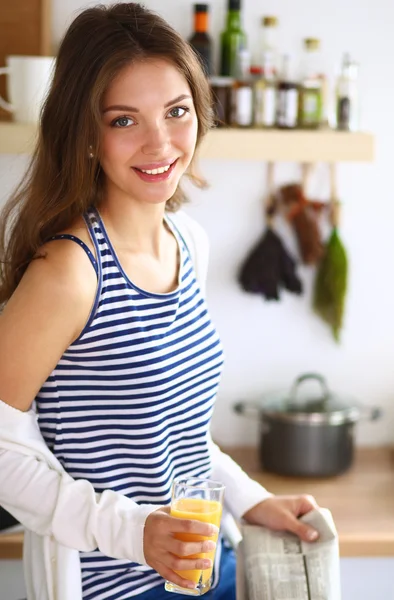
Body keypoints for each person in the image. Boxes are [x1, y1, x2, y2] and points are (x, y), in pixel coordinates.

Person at [0, 3, 319, 599]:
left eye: (176, 112)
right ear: (85, 133)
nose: (160, 142)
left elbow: (179, 436)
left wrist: (251, 501)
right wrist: (134, 531)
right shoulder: (68, 273)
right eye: (124, 120)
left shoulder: (186, 242)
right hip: (111, 586)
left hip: (205, 569)